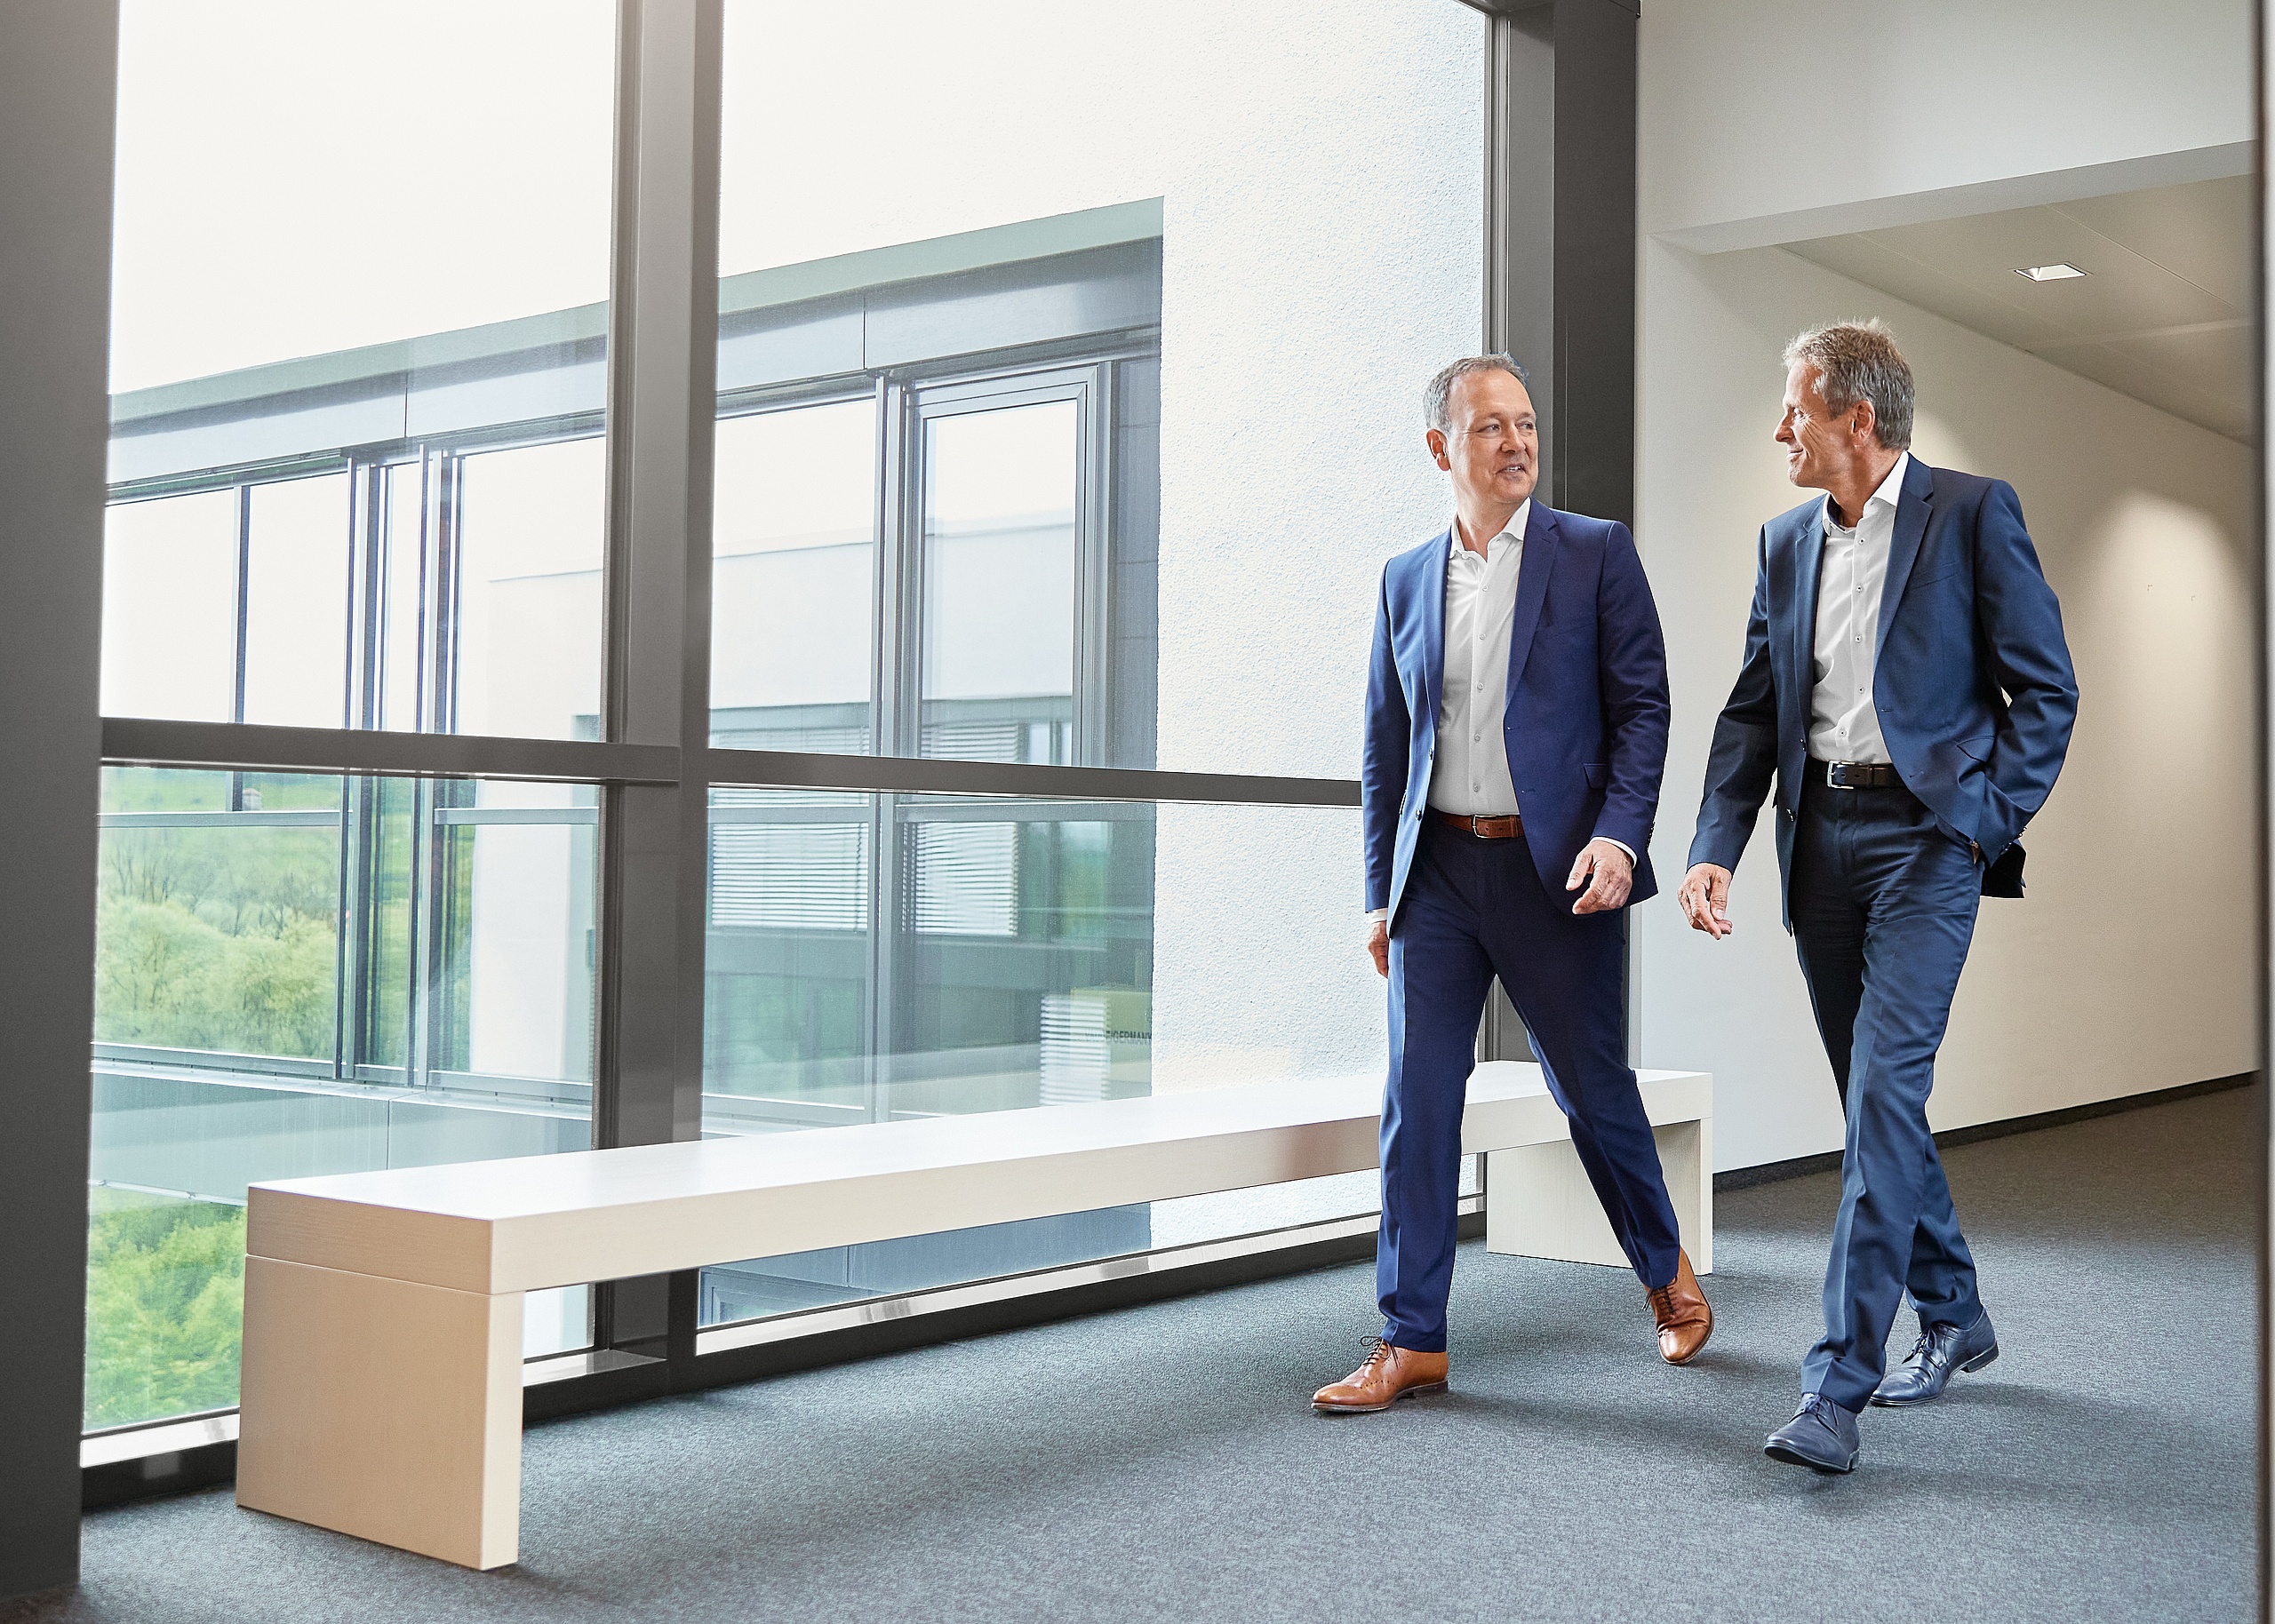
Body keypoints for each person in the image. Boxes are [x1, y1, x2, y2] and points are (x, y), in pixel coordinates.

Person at [1679, 321, 2078, 1473]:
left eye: (1794, 408)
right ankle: (1954, 1310)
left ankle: (1836, 1387)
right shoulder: (1785, 541)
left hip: (1922, 845)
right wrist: (1718, 846)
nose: (1779, 429)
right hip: (1822, 847)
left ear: (1858, 417)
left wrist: (1979, 825)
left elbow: (2045, 690)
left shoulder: (1970, 515)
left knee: (1885, 1098)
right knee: (1876, 1107)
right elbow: (1756, 709)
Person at [1314, 354, 1712, 1415]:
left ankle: (1666, 1276)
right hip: (1437, 874)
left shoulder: (1594, 554)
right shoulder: (1405, 578)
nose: (1517, 443)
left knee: (1591, 1091)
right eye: (1491, 427)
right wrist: (1377, 894)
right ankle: (1413, 1339)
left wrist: (1621, 840)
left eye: (1526, 424)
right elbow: (1383, 746)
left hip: (1557, 875)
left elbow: (1644, 713)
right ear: (1442, 447)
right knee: (1417, 1103)